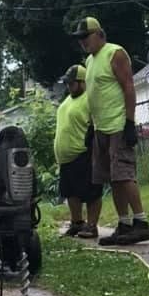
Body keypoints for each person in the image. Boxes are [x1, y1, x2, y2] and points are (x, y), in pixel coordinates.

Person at [70, 17, 149, 245]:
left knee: (124, 175)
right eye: (80, 39)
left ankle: (141, 222)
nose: (83, 42)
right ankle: (124, 224)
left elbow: (128, 86)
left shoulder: (114, 53)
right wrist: (91, 126)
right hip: (101, 128)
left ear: (99, 34)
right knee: (113, 179)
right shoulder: (89, 61)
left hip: (117, 125)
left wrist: (129, 122)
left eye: (85, 37)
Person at [53, 64, 103, 239]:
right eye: (67, 84)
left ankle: (91, 225)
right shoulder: (68, 100)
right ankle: (77, 223)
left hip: (83, 152)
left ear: (82, 82)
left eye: (72, 83)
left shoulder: (90, 98)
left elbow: (97, 122)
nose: (68, 87)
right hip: (66, 158)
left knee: (91, 191)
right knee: (70, 191)